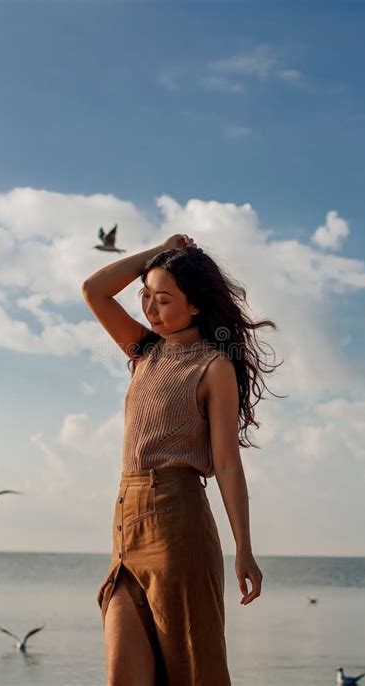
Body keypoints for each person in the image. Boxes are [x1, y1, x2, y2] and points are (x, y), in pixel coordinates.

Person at [82, 233, 282, 685]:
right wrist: (158, 253)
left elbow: (227, 463)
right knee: (122, 677)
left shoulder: (214, 367)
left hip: (180, 526)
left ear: (195, 306)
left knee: (194, 672)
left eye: (164, 299)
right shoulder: (143, 351)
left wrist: (244, 548)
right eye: (146, 297)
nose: (150, 309)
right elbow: (94, 290)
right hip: (126, 529)